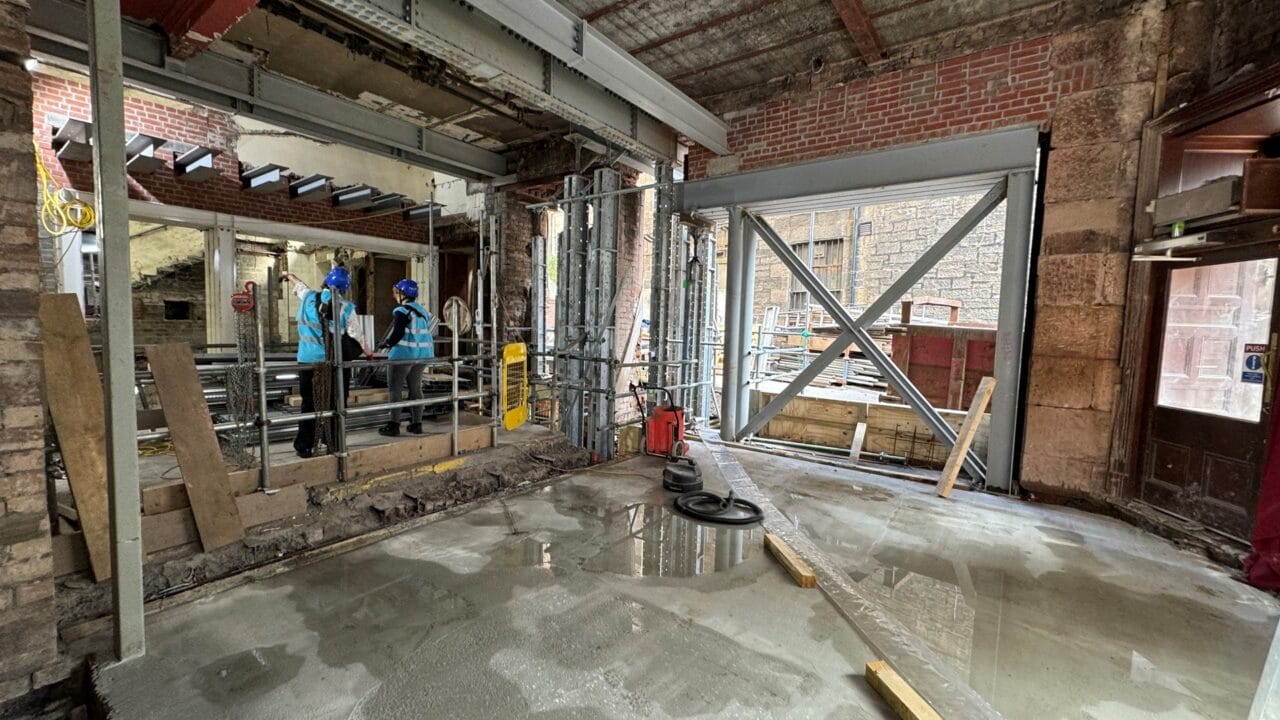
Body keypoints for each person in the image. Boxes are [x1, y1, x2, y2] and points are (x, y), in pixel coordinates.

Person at [280, 266, 373, 458]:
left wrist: (288, 276)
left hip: (307, 361)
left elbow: (300, 285)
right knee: (335, 402)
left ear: (325, 282)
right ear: (345, 288)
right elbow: (357, 335)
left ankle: (304, 445)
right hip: (333, 364)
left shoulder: (308, 297)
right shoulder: (346, 308)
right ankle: (332, 440)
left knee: (310, 403)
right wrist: (369, 353)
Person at [376, 278, 435, 436]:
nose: (395, 295)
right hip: (422, 356)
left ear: (403, 294)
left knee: (395, 389)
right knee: (415, 388)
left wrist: (386, 344)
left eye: (397, 292)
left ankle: (394, 425)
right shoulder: (423, 313)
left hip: (403, 356)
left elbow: (398, 333)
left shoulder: (401, 311)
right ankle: (417, 424)